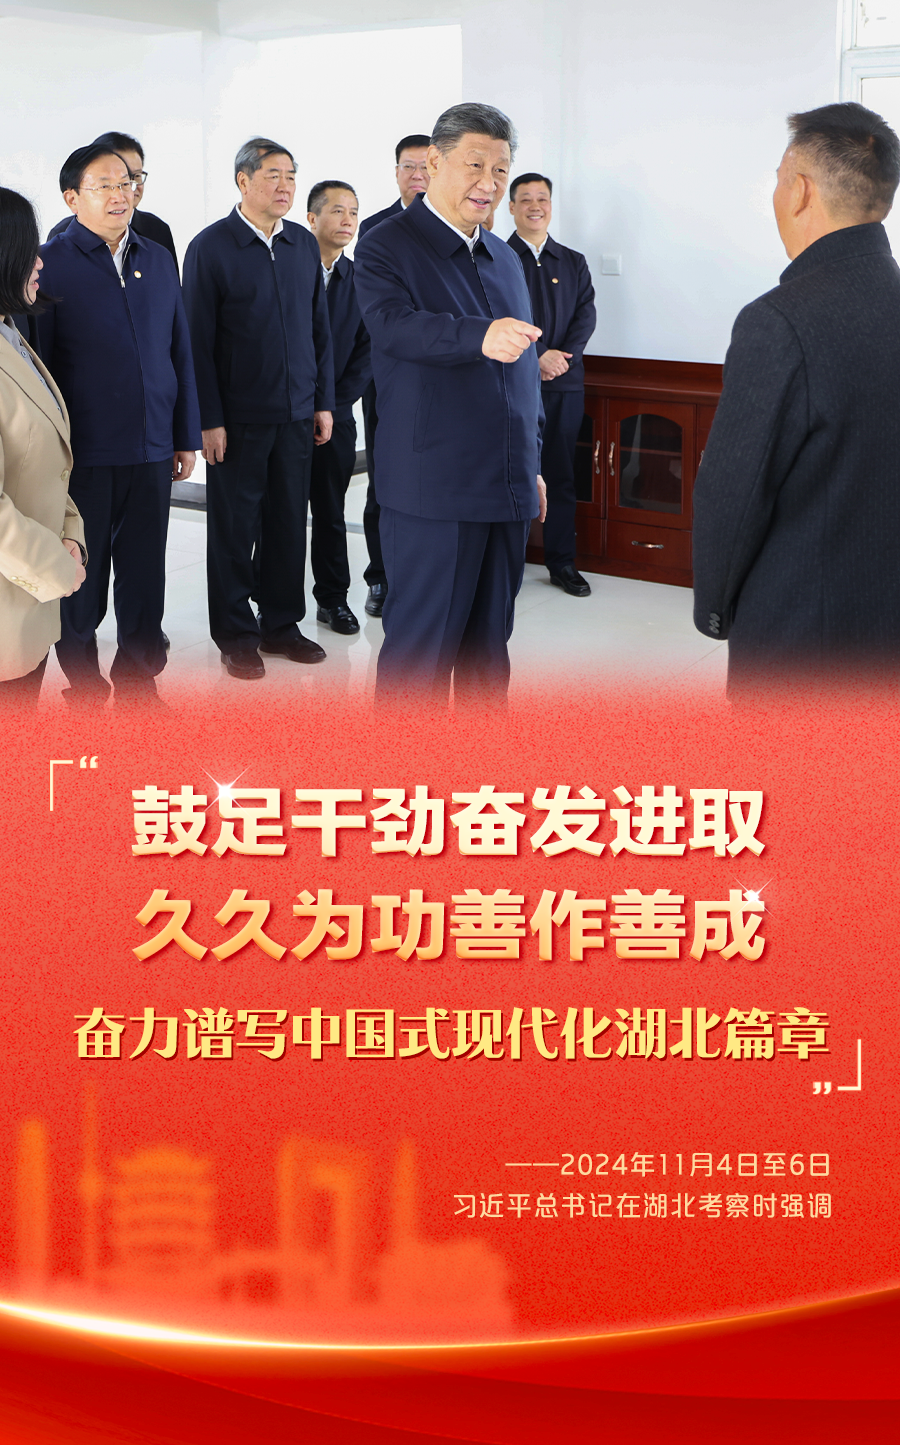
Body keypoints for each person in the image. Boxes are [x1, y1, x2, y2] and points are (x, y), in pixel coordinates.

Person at [692, 101, 900, 694]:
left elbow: (734, 492)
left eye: (781, 178)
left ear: (802, 190)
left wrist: (715, 607)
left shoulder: (779, 321)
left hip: (803, 631)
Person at [353, 102, 546, 707]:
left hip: (505, 484)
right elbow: (393, 326)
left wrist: (532, 464)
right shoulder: (386, 245)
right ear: (434, 162)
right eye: (475, 165)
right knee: (422, 656)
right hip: (433, 488)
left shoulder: (505, 256)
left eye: (500, 169)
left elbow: (525, 376)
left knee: (490, 652)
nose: (489, 183)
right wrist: (477, 336)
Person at [37, 143, 200, 704]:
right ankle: (82, 682)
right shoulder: (50, 264)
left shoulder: (156, 257)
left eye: (127, 182)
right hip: (84, 450)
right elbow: (40, 367)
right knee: (81, 571)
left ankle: (138, 681)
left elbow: (179, 350)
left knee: (145, 569)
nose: (120, 194)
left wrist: (184, 434)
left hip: (152, 445)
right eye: (104, 184)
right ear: (72, 198)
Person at [182, 138, 334, 680]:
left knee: (289, 523)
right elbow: (196, 341)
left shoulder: (301, 243)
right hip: (238, 418)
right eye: (273, 175)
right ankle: (235, 634)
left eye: (291, 175)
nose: (285, 185)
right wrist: (208, 419)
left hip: (295, 413)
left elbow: (319, 330)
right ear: (243, 181)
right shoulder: (211, 247)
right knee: (234, 527)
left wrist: (322, 401)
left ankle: (281, 625)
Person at [0, 188, 86, 705]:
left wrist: (71, 534)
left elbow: (46, 460)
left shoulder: (12, 334)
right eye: (27, 249)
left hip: (25, 599)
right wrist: (56, 565)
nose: (39, 262)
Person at [508, 173, 596, 596]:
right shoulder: (497, 258)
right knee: (511, 474)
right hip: (513, 384)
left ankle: (562, 563)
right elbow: (496, 316)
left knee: (560, 475)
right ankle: (507, 565)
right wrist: (536, 356)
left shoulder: (572, 260)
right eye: (525, 199)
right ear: (511, 207)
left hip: (564, 383)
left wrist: (559, 359)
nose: (534, 206)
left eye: (541, 198)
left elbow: (585, 315)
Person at [358, 133, 431, 619]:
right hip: (385, 375)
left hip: (436, 372)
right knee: (383, 476)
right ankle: (380, 576)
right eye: (409, 166)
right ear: (397, 172)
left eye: (426, 166)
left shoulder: (457, 226)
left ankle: (421, 575)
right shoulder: (376, 229)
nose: (418, 175)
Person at [306, 180, 372, 635]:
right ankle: (271, 602)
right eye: (337, 211)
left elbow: (367, 352)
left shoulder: (361, 279)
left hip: (338, 416)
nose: (347, 220)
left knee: (330, 512)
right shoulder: (290, 270)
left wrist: (330, 405)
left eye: (353, 212)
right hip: (287, 414)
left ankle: (333, 599)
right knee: (279, 512)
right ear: (312, 218)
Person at [47, 131, 178, 270]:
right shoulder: (57, 242)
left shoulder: (158, 236)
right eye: (105, 186)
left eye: (133, 178)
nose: (122, 194)